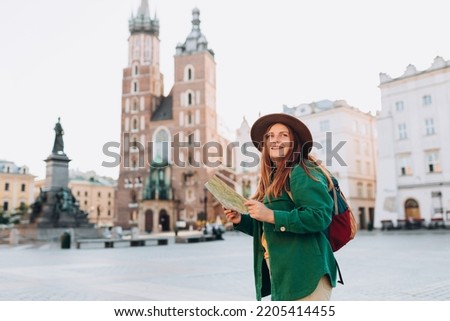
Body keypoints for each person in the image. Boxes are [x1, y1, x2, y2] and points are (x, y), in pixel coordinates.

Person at [224, 113, 337, 301]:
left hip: (305, 275)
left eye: (283, 135)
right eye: (270, 136)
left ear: (295, 142)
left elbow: (319, 216)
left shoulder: (301, 170)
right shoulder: (274, 177)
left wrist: (270, 215)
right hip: (284, 276)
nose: (275, 140)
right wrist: (241, 220)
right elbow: (271, 227)